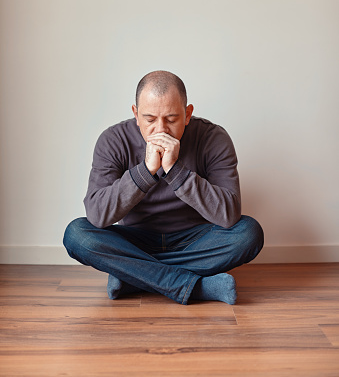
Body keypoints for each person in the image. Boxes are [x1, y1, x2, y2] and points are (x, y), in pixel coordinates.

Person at [63, 71, 263, 305]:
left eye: (171, 119)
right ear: (136, 114)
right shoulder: (113, 140)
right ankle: (194, 287)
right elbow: (97, 215)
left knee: (249, 232)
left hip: (195, 240)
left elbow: (228, 215)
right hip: (135, 241)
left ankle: (134, 277)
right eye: (149, 119)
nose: (161, 130)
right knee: (77, 235)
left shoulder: (213, 138)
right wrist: (145, 171)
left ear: (187, 114)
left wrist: (174, 169)